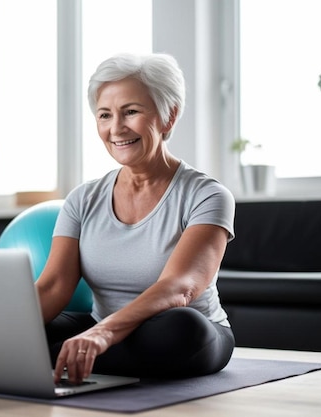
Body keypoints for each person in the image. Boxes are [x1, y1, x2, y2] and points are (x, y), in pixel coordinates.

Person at [36, 52, 236, 384]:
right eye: (104, 115)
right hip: (103, 326)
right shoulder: (82, 199)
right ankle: (72, 354)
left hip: (178, 331)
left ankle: (66, 356)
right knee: (23, 328)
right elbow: (54, 286)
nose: (116, 129)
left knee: (183, 328)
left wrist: (103, 333)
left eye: (130, 112)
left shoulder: (208, 195)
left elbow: (179, 288)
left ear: (168, 116)